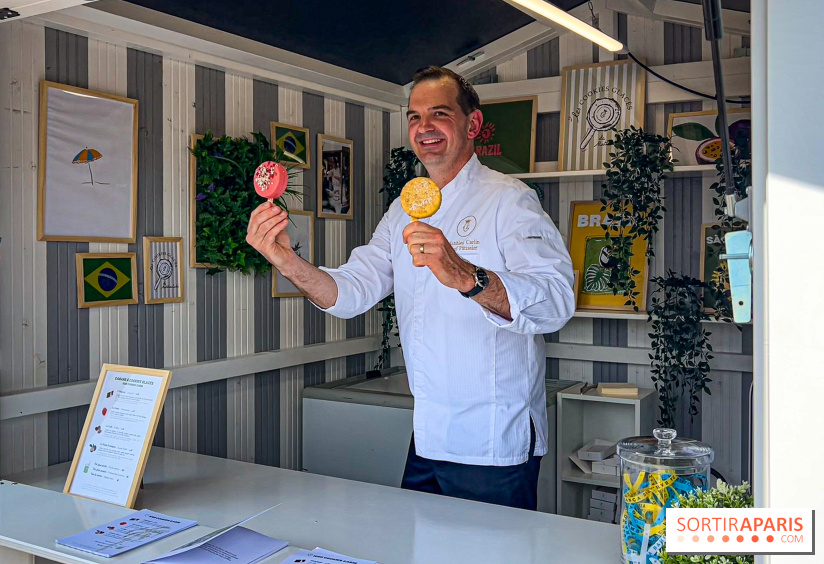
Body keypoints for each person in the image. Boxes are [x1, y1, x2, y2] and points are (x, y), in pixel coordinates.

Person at [246, 66, 574, 510]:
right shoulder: (403, 208)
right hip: (427, 435)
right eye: (415, 117)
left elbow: (555, 302)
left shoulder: (509, 199)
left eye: (439, 113)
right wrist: (287, 261)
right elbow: (352, 291)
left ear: (472, 125)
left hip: (492, 439)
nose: (425, 128)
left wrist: (465, 276)